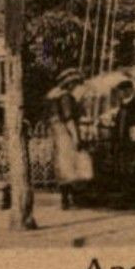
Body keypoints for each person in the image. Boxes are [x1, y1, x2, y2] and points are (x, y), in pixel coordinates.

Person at [47, 69, 92, 210]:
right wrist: (76, 137)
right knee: (74, 164)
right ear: (70, 84)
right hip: (65, 133)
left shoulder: (52, 97)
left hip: (55, 133)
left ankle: (65, 199)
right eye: (75, 84)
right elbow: (69, 119)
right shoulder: (66, 97)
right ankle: (74, 199)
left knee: (62, 165)